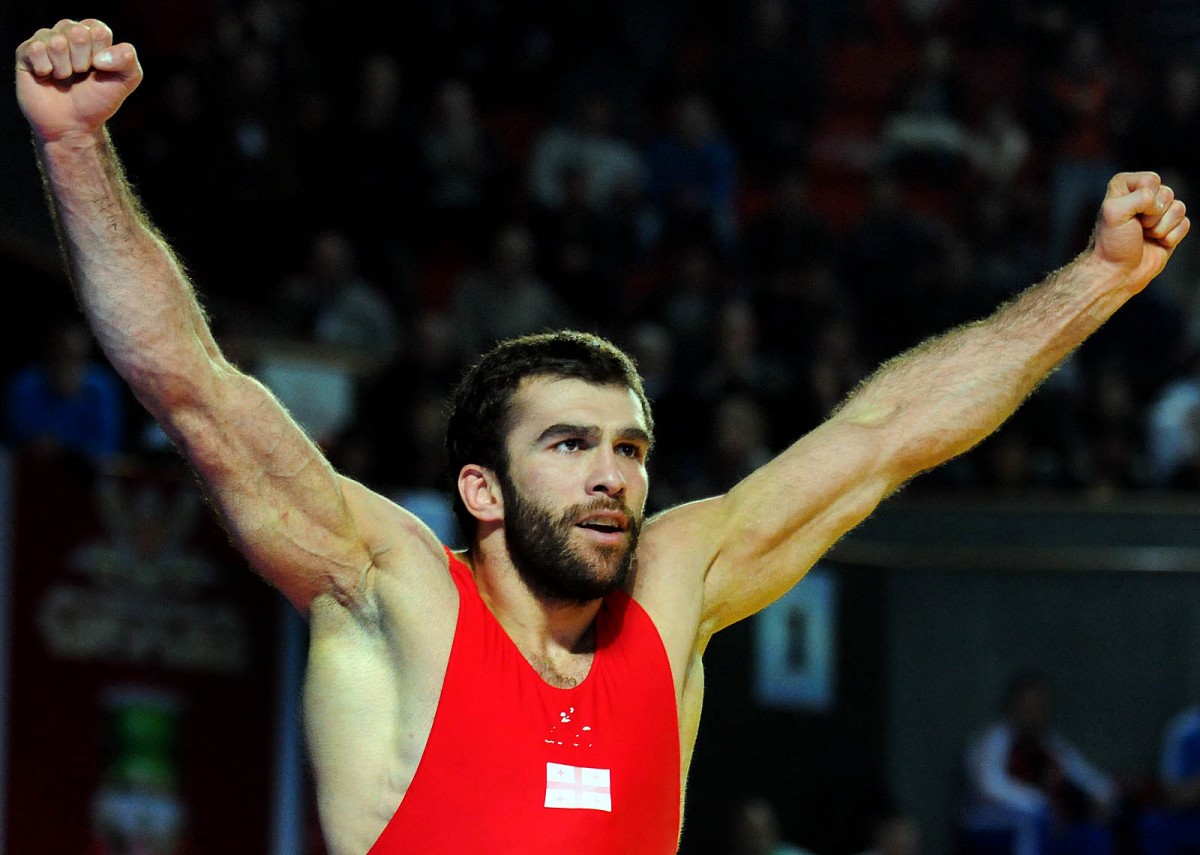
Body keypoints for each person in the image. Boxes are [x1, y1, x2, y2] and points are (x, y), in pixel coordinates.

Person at [14, 17, 1191, 855]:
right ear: (482, 490)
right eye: (570, 445)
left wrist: (1093, 284)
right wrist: (75, 149)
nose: (614, 476)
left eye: (629, 448)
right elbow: (193, 387)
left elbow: (887, 434)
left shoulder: (678, 588)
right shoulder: (393, 592)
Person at [958, 672, 1119, 855]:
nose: (1035, 714)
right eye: (1029, 707)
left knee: (1094, 834)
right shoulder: (994, 738)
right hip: (989, 824)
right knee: (1032, 821)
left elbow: (1094, 781)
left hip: (1047, 825)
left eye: (1041, 707)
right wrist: (1041, 804)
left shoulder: (1050, 744)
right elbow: (989, 786)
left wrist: (1100, 797)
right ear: (1012, 707)